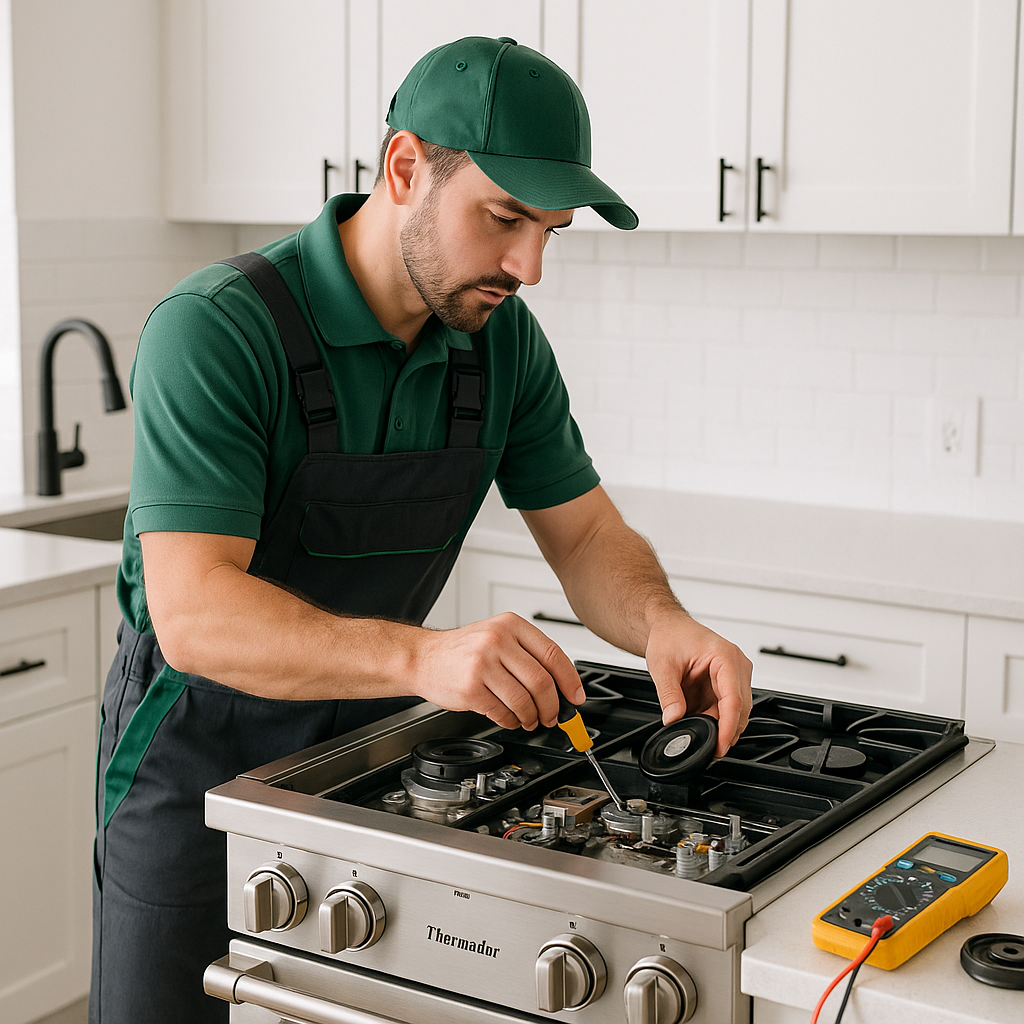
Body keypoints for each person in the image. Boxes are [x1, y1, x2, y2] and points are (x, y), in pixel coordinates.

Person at [89, 35, 753, 1024]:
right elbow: (195, 615)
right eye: (504, 219)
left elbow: (582, 535)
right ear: (405, 168)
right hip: (194, 764)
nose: (529, 264)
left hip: (371, 761)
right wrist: (429, 658)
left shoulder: (502, 343)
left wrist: (663, 624)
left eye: (549, 230)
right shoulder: (218, 329)